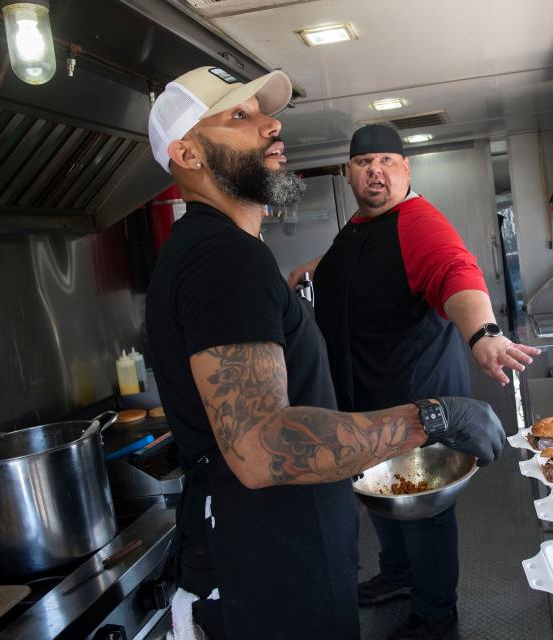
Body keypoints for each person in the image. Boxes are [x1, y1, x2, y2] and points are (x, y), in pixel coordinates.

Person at [144, 68, 506, 640]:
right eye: (240, 116)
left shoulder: (227, 252)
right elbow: (261, 449)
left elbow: (455, 272)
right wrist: (431, 417)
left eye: (263, 113)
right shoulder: (224, 261)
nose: (272, 125)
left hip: (273, 553)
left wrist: (483, 333)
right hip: (269, 570)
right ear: (187, 153)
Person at [288, 125, 540, 640]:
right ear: (348, 173)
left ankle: (435, 612)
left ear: (406, 169)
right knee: (379, 493)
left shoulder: (419, 222)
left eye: (385, 161)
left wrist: (484, 333)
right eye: (362, 162)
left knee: (421, 507)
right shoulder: (361, 224)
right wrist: (314, 268)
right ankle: (399, 577)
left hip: (418, 403)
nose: (373, 171)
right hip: (366, 403)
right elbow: (364, 266)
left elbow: (455, 272)